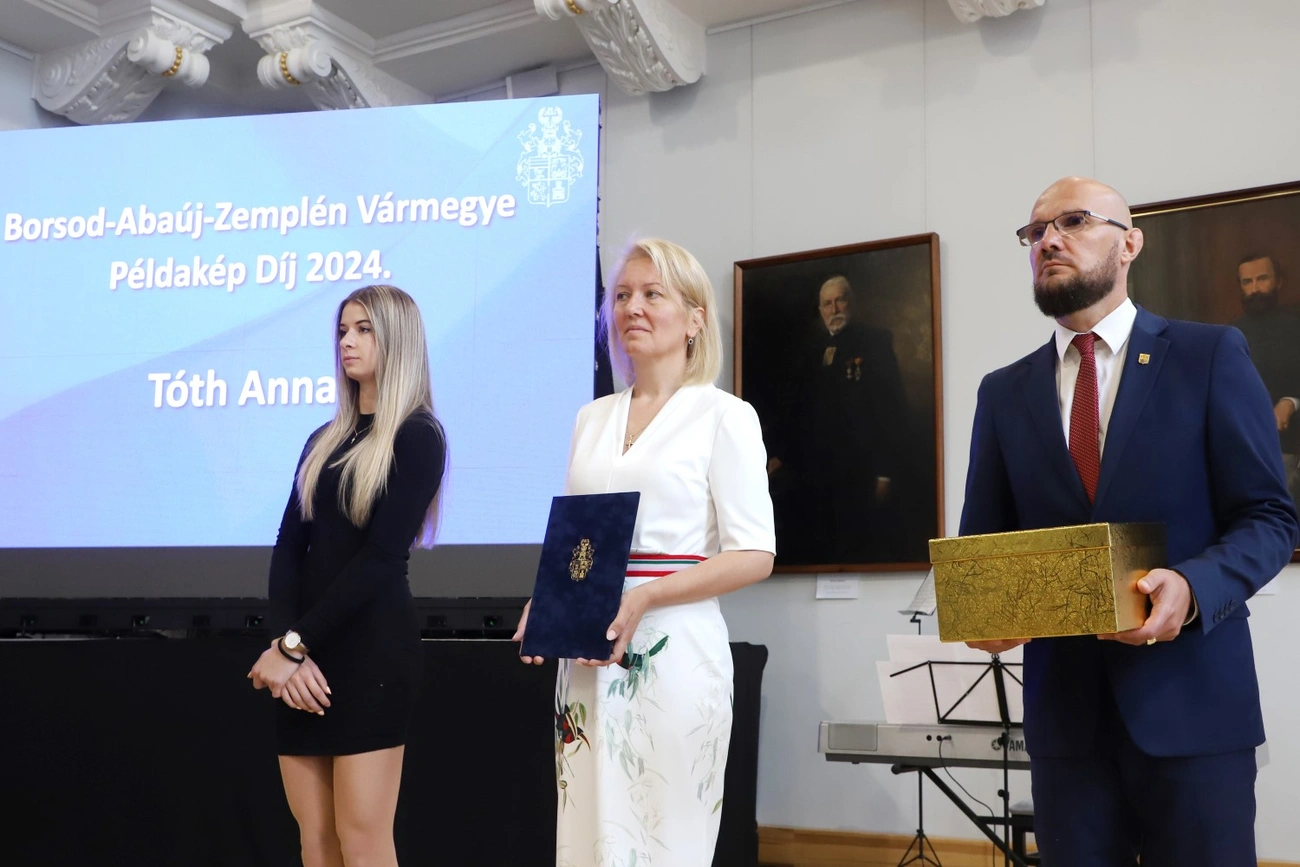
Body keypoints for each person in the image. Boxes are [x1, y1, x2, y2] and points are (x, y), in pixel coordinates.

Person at [960, 177, 1299, 867]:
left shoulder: (1209, 355)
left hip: (1195, 712)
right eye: (1035, 232)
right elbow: (984, 546)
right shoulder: (1003, 392)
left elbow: (1269, 517)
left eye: (1073, 221)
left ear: (1130, 244)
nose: (1048, 241)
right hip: (1067, 729)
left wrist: (1193, 587)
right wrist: (982, 610)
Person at [512, 239, 776, 867]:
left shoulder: (725, 416)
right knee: (586, 835)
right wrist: (546, 598)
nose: (632, 306)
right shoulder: (591, 418)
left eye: (653, 294)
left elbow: (755, 553)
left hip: (674, 654)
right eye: (622, 295)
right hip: (586, 657)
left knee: (665, 840)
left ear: (694, 319)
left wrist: (648, 595)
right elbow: (579, 537)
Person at [248, 284, 447, 867]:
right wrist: (285, 647)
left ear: (397, 339)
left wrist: (294, 644)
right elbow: (289, 548)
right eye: (342, 331)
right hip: (302, 659)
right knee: (316, 840)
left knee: (361, 840)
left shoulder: (418, 436)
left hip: (370, 656)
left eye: (363, 330)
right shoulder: (322, 439)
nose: (347, 342)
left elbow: (381, 559)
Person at [766, 275, 908, 563]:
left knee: (855, 546)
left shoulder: (874, 342)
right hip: (814, 471)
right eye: (827, 304)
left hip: (859, 470)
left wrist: (884, 472)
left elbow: (891, 409)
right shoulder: (810, 350)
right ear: (820, 310)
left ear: (851, 303)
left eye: (840, 300)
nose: (834, 309)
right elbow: (797, 410)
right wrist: (779, 455)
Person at [1231, 252, 1300, 502]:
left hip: (1292, 445)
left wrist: (1291, 402)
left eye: (1262, 279)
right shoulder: (1232, 333)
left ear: (1278, 281)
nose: (1255, 289)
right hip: (1250, 447)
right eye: (1247, 282)